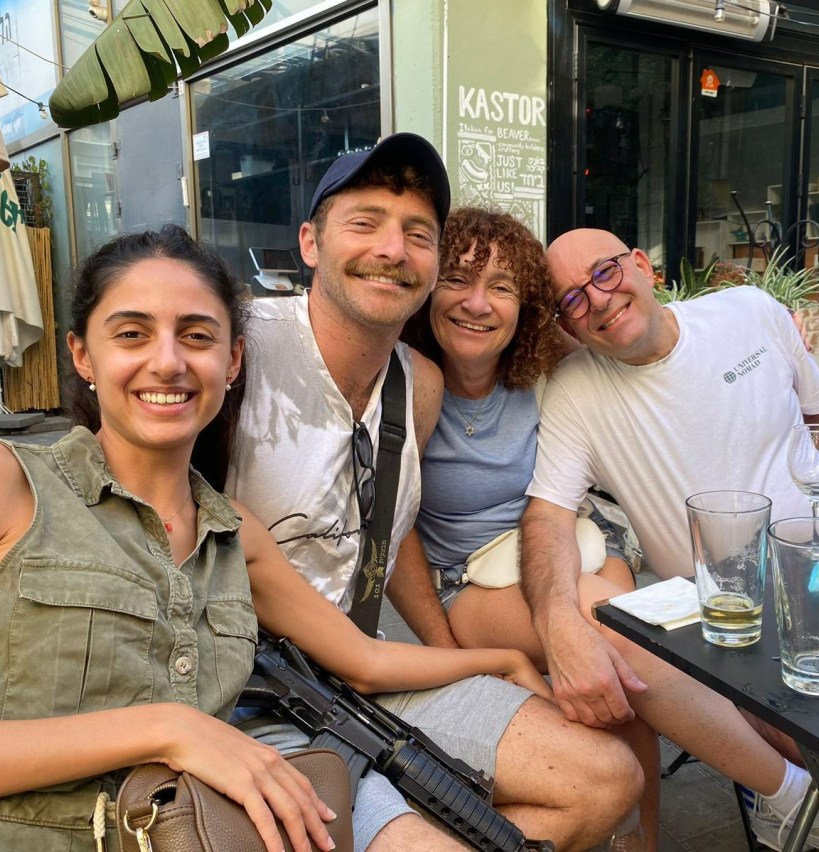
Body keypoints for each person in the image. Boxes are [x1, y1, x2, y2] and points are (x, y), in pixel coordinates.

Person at [0, 225, 576, 852]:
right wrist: (168, 729)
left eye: (197, 336)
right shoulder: (6, 485)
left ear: (232, 361)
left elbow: (365, 660)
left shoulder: (235, 532)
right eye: (131, 334)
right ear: (81, 355)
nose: (168, 361)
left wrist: (503, 660)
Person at [226, 134, 644, 850]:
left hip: (368, 666)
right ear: (310, 242)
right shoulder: (238, 347)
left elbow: (393, 527)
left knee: (610, 776)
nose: (393, 248)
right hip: (252, 691)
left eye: (417, 234)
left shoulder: (419, 384)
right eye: (365, 223)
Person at [520, 227, 819, 851]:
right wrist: (554, 623)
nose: (598, 300)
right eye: (572, 300)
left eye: (605, 273)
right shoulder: (577, 391)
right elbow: (547, 517)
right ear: (567, 325)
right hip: (732, 614)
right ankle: (809, 800)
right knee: (610, 620)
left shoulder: (750, 313)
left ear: (642, 265)